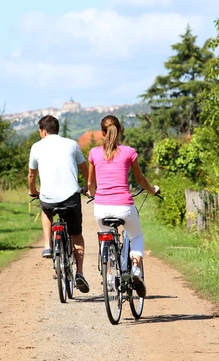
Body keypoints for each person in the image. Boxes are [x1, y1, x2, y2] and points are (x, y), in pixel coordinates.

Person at [87, 115, 158, 297]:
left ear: (102, 132)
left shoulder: (94, 153)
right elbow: (141, 179)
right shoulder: (128, 152)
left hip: (101, 207)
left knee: (105, 236)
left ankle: (109, 274)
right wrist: (152, 190)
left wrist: (93, 194)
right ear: (120, 130)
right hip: (124, 207)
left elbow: (90, 184)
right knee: (136, 236)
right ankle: (135, 270)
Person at [28, 115, 90, 293]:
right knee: (76, 234)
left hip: (48, 198)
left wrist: (33, 190)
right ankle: (79, 273)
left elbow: (31, 175)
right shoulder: (72, 144)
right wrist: (88, 187)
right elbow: (85, 169)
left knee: (46, 211)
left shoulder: (36, 147)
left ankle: (48, 246)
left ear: (43, 131)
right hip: (71, 197)